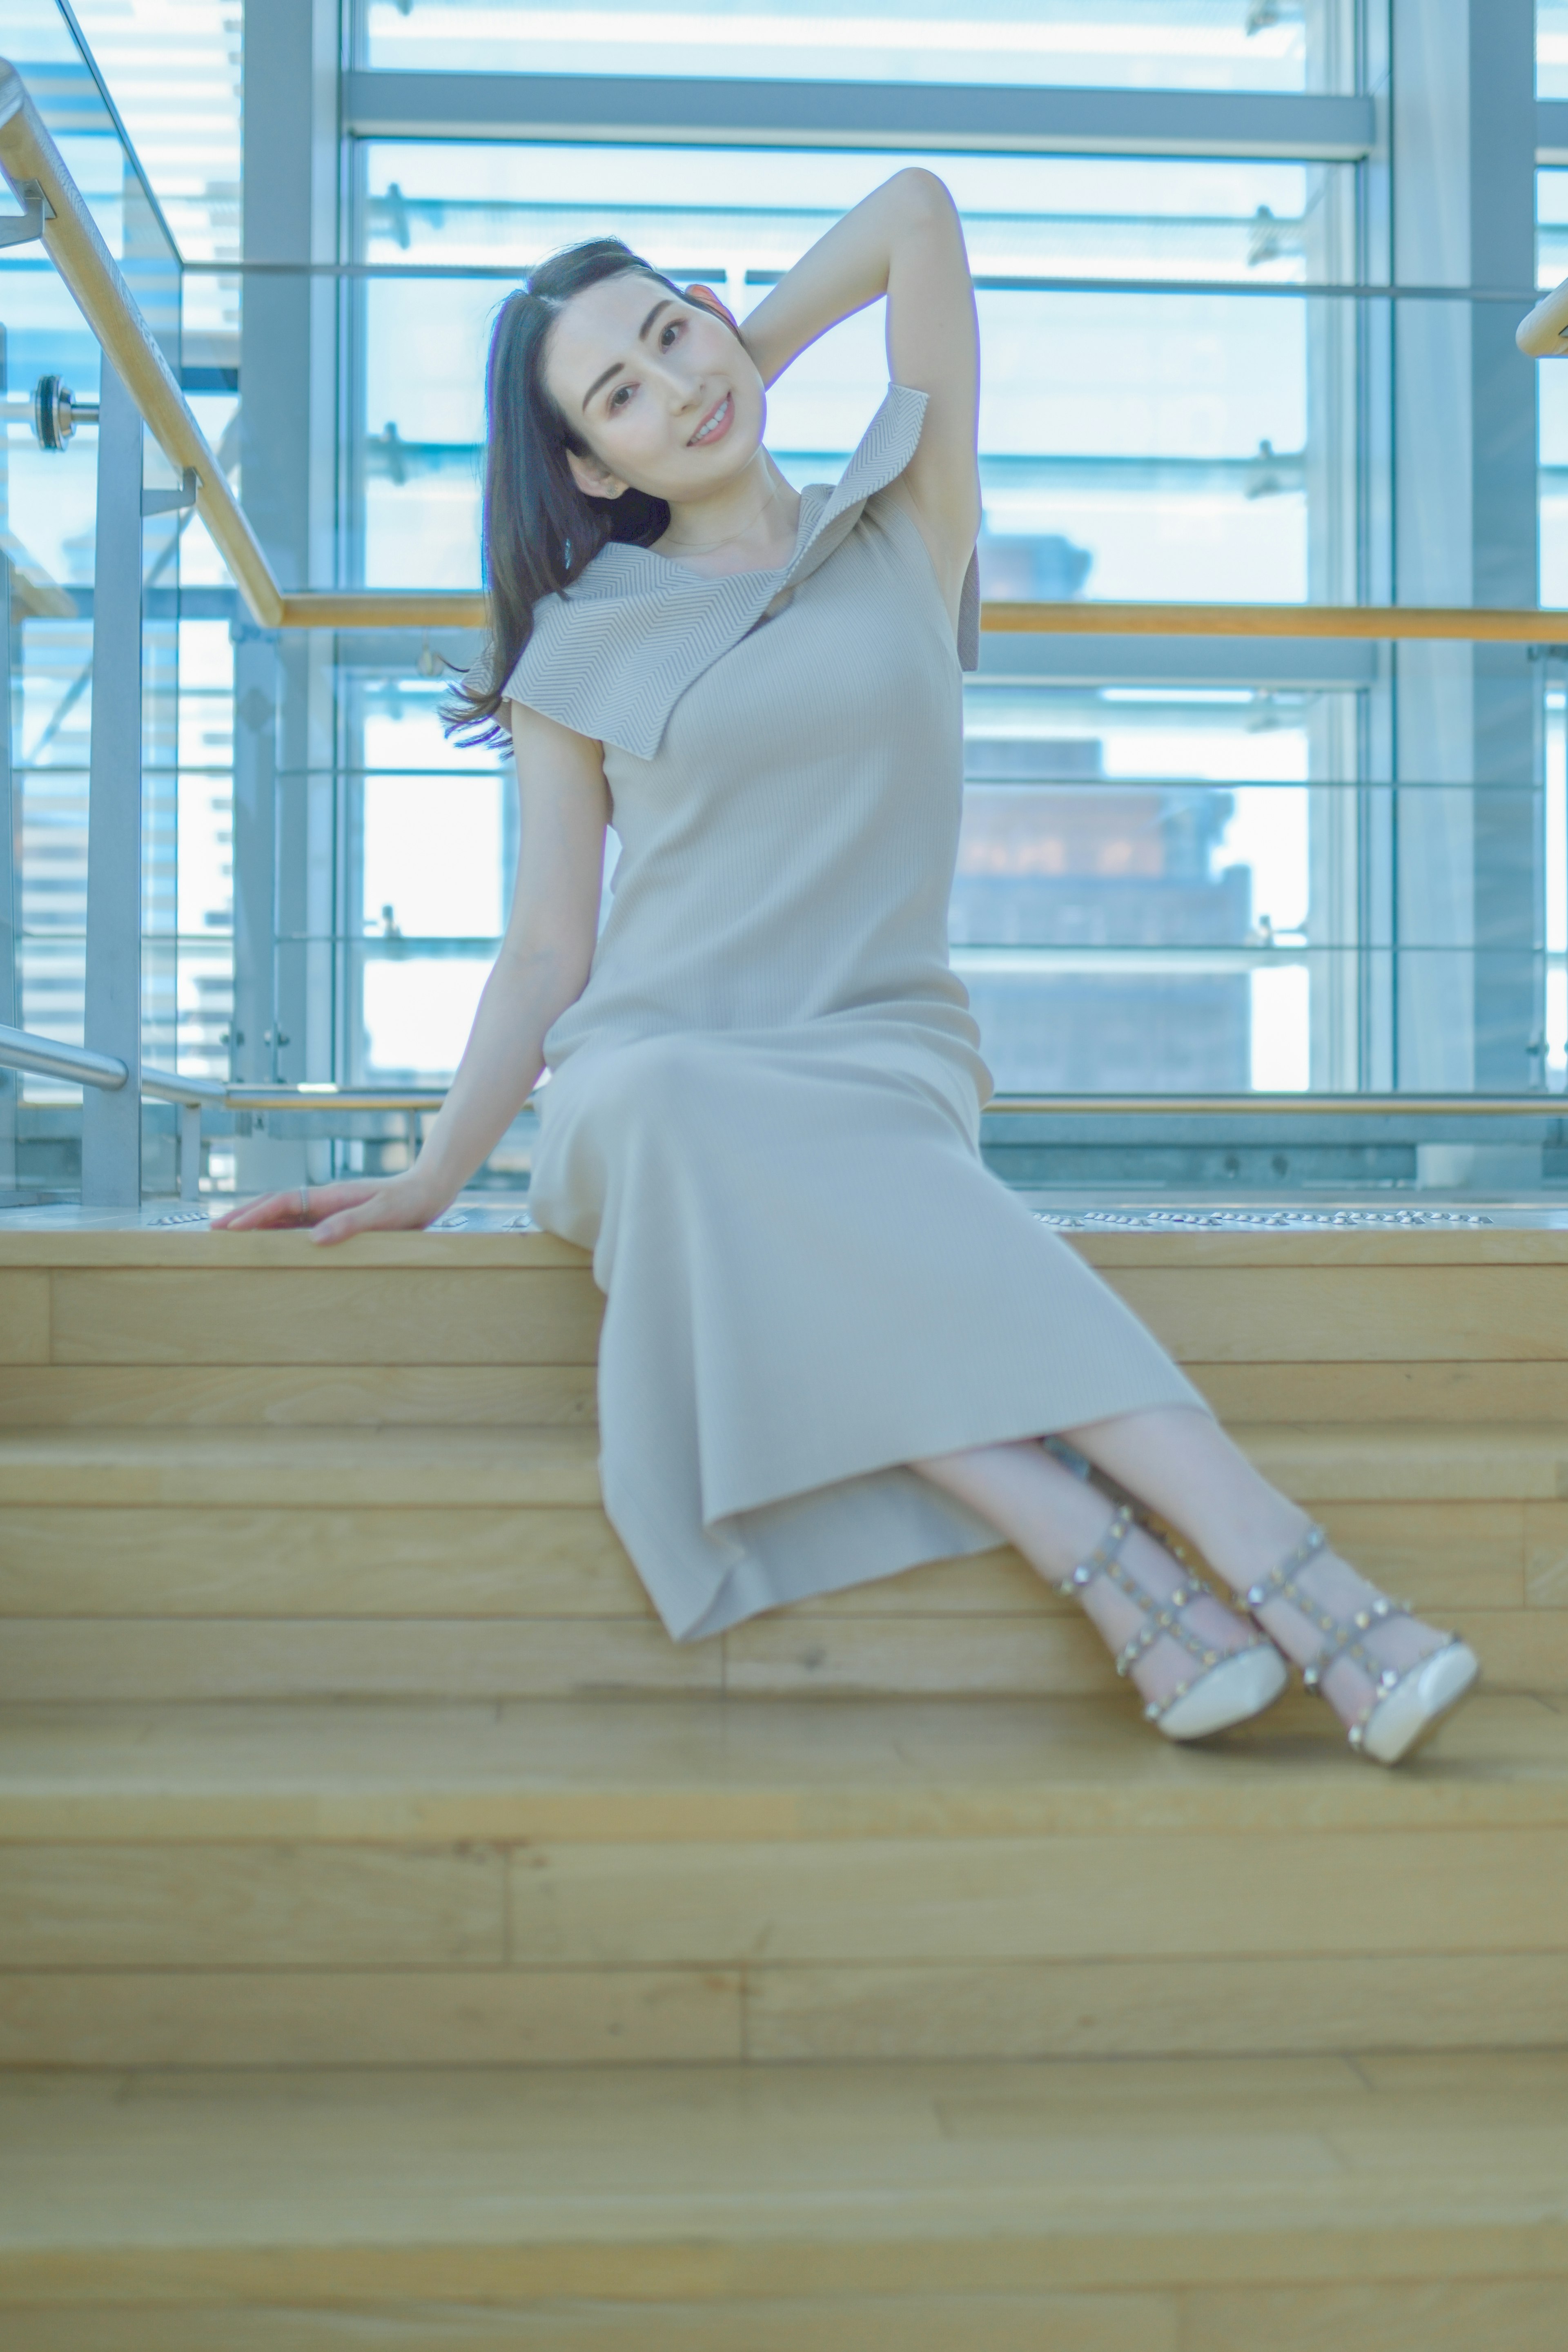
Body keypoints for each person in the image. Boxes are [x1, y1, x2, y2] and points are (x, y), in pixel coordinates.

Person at [218, 172, 1478, 1765]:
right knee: (676, 1094)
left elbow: (916, 217)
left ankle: (1132, 1584)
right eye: (623, 391)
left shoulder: (904, 519)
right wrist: (430, 1172)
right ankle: (1285, 1579)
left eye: (677, 332)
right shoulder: (574, 649)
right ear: (586, 465)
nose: (679, 386)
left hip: (879, 1054)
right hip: (655, 1078)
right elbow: (549, 944)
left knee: (850, 1188)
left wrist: (748, 341)